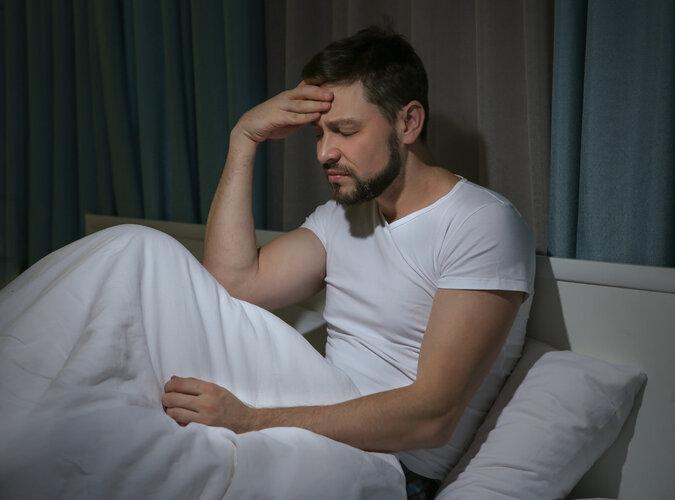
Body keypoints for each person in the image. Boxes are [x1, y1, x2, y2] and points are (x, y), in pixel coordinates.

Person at [160, 26, 535, 499]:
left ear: (408, 122)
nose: (324, 152)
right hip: (306, 432)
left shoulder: (480, 223)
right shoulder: (341, 218)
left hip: (390, 466)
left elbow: (432, 417)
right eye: (319, 133)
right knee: (138, 251)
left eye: (345, 130)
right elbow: (231, 284)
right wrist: (244, 139)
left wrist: (252, 420)